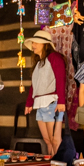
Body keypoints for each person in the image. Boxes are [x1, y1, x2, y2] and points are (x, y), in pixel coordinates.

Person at [23, 29, 68, 159]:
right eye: (33, 43)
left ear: (45, 44)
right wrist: (29, 103)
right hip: (40, 103)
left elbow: (60, 80)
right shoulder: (39, 63)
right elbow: (35, 85)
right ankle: (52, 164)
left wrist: (61, 101)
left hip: (51, 102)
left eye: (36, 43)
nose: (33, 45)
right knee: (47, 140)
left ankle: (58, 165)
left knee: (55, 139)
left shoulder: (54, 58)